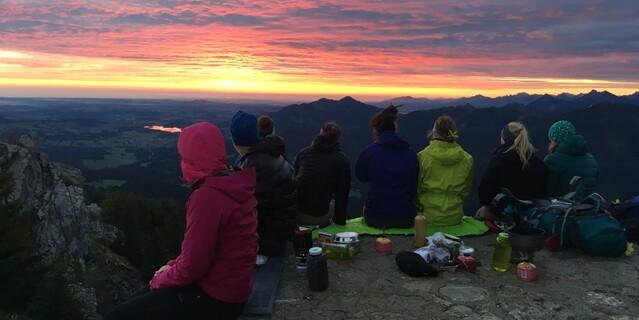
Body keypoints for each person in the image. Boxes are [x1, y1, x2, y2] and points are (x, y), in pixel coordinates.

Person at [105, 122, 258, 320]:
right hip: (234, 290)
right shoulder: (234, 182)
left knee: (118, 316)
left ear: (191, 157)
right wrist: (170, 266)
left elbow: (193, 267)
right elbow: (199, 255)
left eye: (184, 156)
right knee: (141, 297)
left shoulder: (207, 197)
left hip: (217, 300)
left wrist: (161, 277)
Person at [231, 111, 297, 265]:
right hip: (283, 231)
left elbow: (254, 212)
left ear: (236, 140)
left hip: (269, 244)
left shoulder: (254, 167)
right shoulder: (271, 155)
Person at [355, 105, 418, 228]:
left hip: (375, 217)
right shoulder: (410, 154)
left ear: (376, 130)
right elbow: (413, 187)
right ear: (395, 128)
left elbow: (361, 176)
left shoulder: (368, 152)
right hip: (405, 218)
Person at [476, 122, 548, 219]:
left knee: (481, 212)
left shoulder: (499, 159)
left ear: (505, 139)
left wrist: (486, 204)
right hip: (533, 214)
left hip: (507, 213)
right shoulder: (537, 162)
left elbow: (485, 188)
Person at [416, 116, 474, 227]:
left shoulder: (422, 157)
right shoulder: (467, 159)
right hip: (454, 217)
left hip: (427, 216)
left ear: (434, 133)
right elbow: (465, 191)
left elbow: (417, 189)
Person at [294, 122, 351, 226]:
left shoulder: (303, 153)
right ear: (337, 138)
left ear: (320, 132)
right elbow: (342, 195)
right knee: (333, 202)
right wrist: (340, 223)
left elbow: (295, 180)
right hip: (321, 216)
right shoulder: (341, 160)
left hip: (297, 214)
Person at [545, 120, 598, 199]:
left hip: (563, 208)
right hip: (587, 207)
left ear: (555, 140)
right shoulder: (591, 159)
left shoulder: (552, 160)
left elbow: (547, 190)